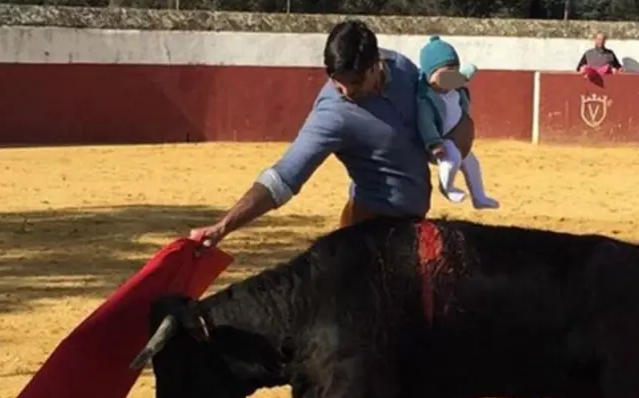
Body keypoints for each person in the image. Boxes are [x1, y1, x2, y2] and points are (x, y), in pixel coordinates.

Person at [189, 20, 473, 246]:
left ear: (376, 64)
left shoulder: (401, 67)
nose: (346, 91)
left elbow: (437, 106)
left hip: (413, 229)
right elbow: (284, 177)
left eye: (356, 81)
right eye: (338, 82)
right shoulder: (332, 114)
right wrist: (224, 226)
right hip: (367, 236)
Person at [416, 35, 499, 209]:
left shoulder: (455, 86)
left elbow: (466, 74)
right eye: (446, 74)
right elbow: (425, 123)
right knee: (452, 158)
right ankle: (447, 187)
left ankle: (479, 197)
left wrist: (471, 69)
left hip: (459, 139)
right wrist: (434, 142)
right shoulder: (426, 99)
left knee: (472, 163)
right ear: (430, 75)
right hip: (442, 141)